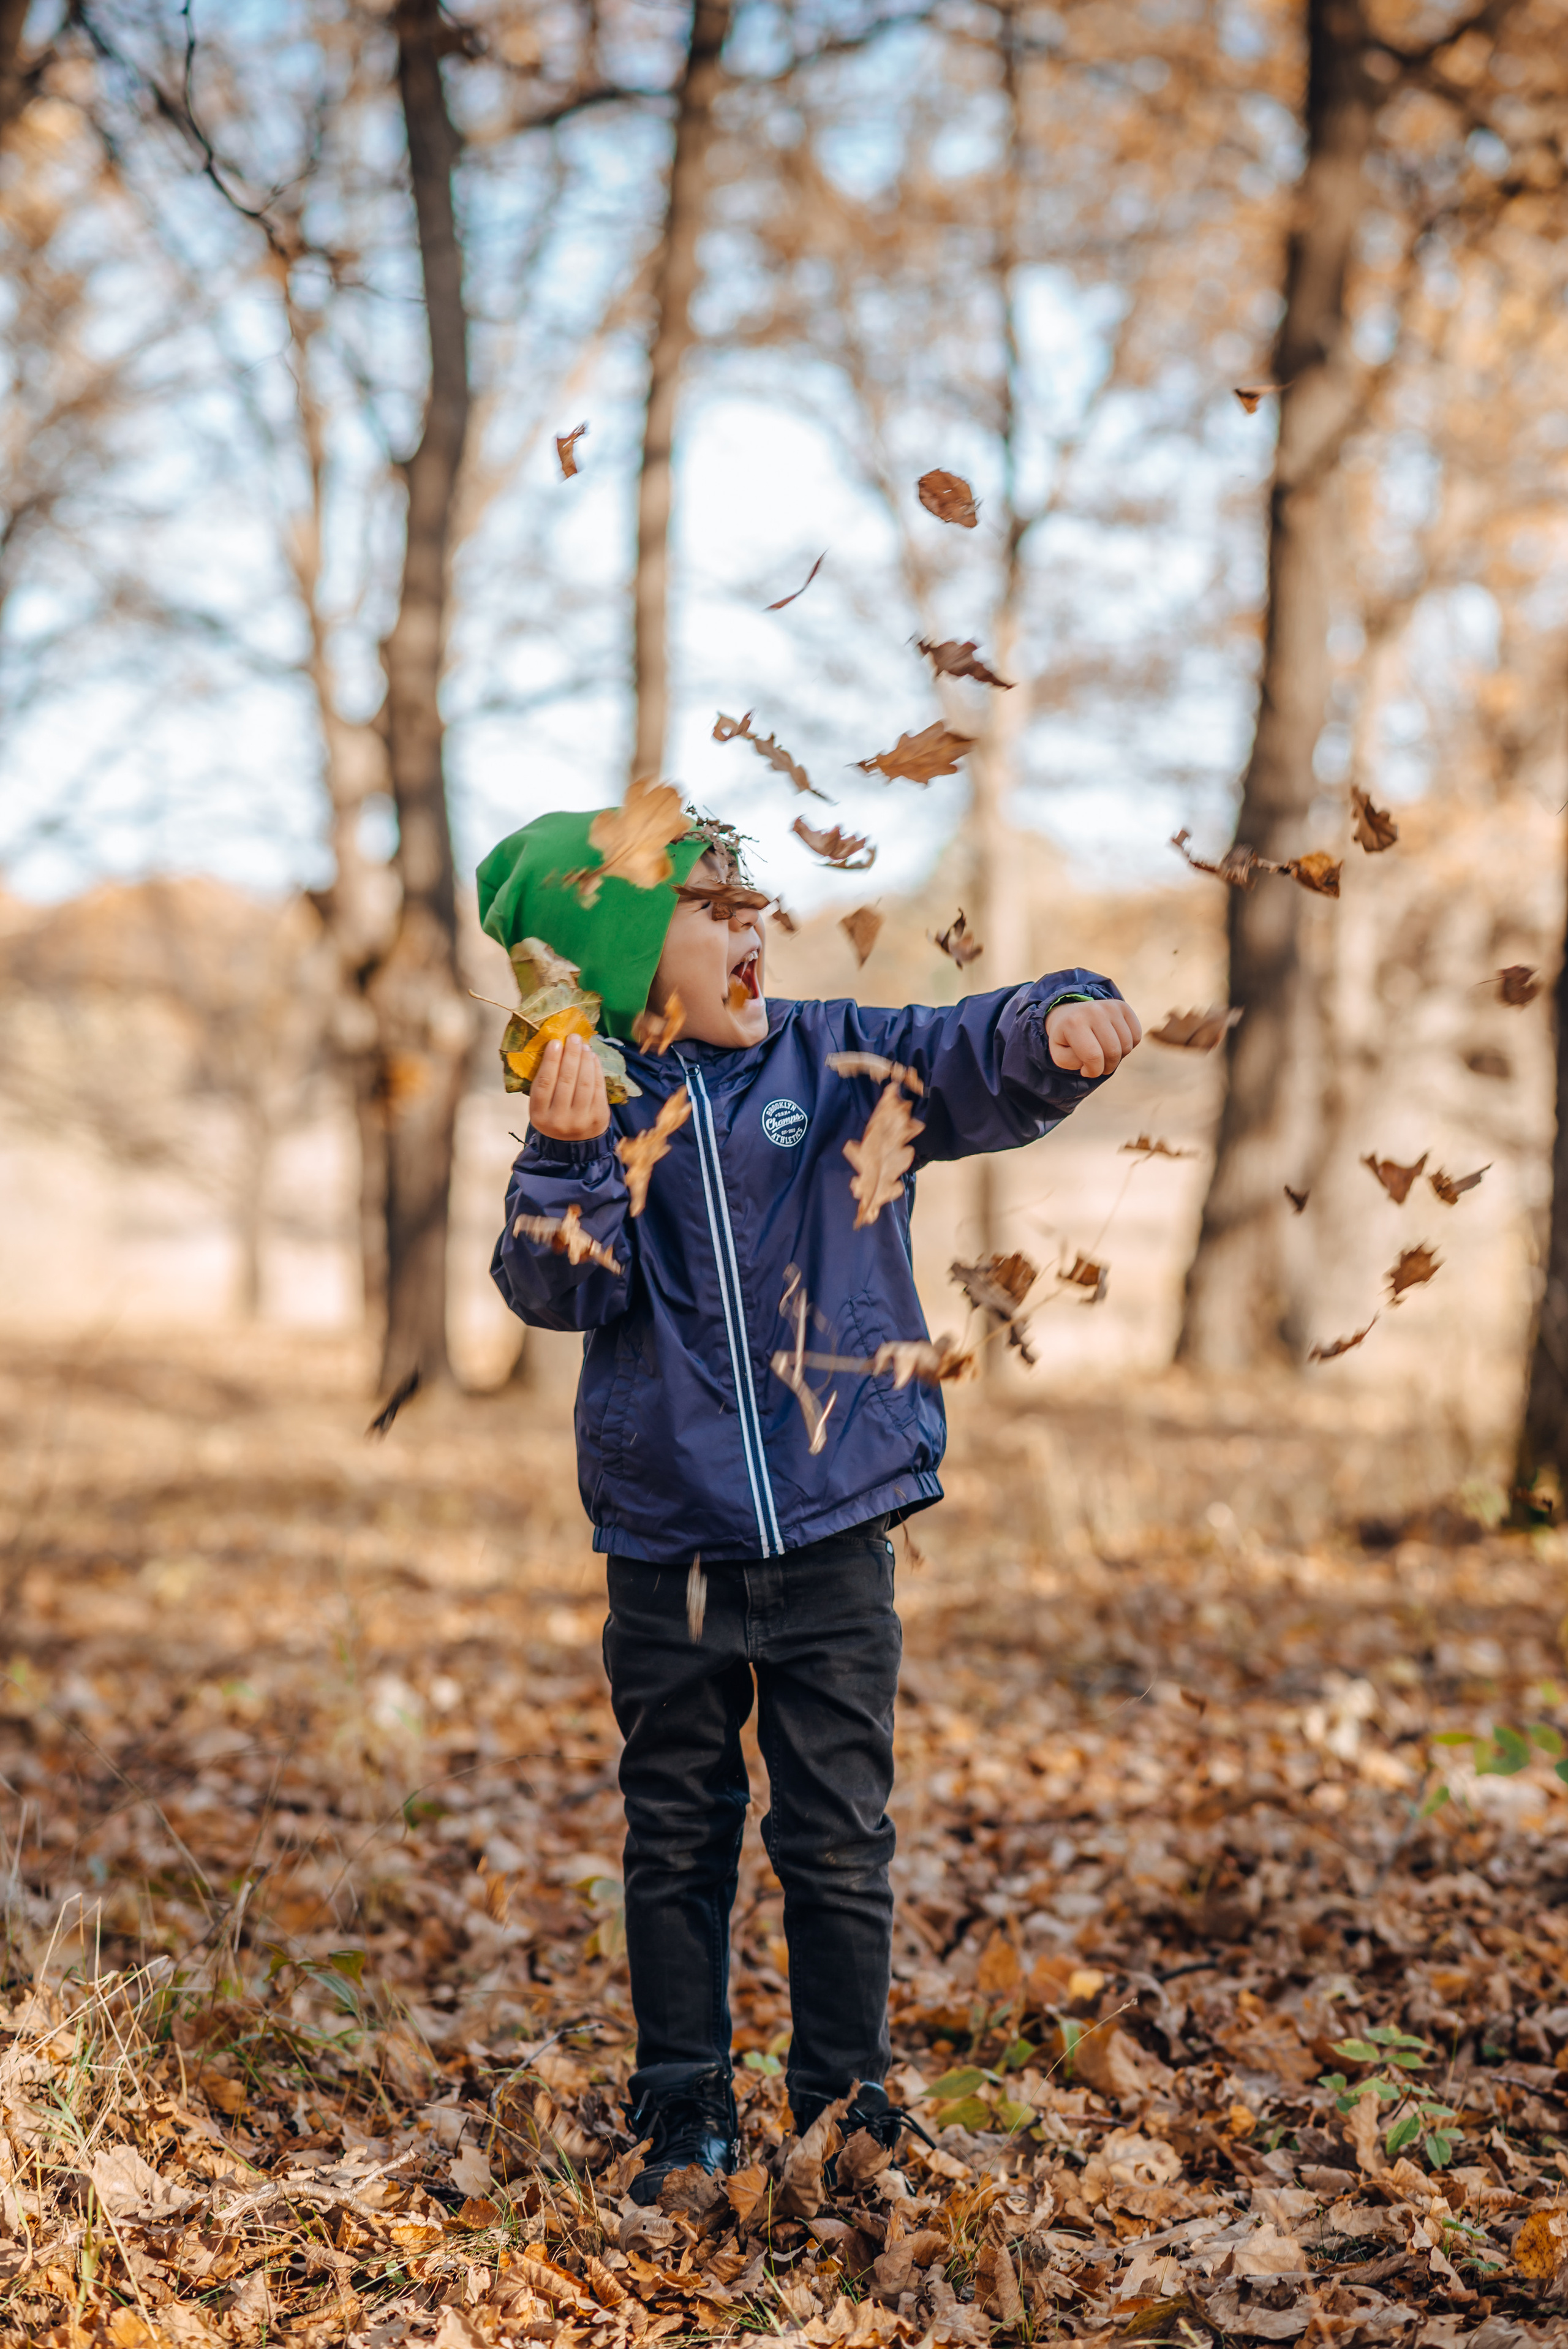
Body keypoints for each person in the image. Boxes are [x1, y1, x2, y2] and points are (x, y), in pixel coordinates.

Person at [481, 808, 1140, 2203]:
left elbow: (961, 1052)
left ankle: (847, 2106)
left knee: (838, 1837)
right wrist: (566, 1158)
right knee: (677, 1833)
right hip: (669, 1547)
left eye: (751, 900)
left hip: (835, 1530)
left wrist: (1056, 1020)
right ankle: (682, 2106)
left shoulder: (828, 1061)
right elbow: (559, 1292)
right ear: (624, 957)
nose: (752, 925)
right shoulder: (598, 1108)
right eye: (712, 907)